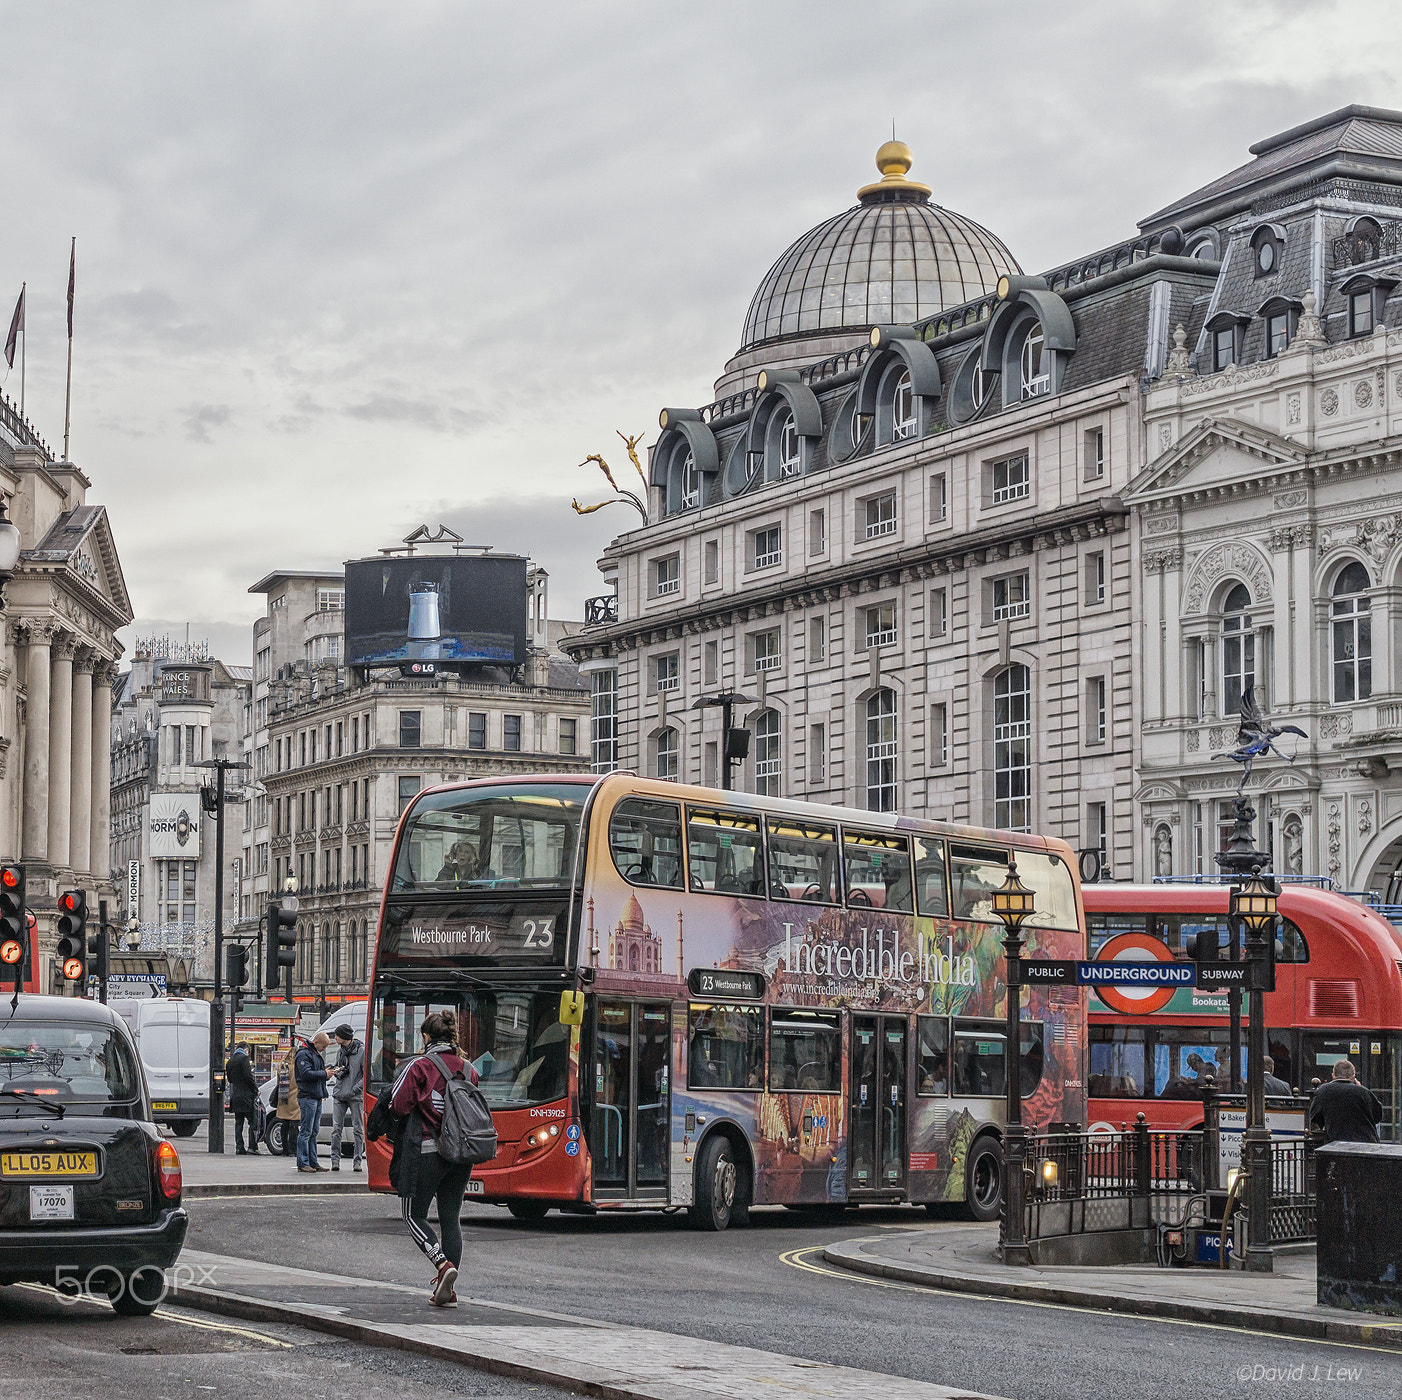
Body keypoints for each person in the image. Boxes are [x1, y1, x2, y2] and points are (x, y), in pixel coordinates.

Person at [390, 1009, 478, 1308]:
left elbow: (399, 1105)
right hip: (462, 1152)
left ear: (426, 1037)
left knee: (414, 1215)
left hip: (428, 1149)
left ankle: (442, 1265)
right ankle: (449, 1290)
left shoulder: (421, 1066)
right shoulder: (469, 1069)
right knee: (450, 1218)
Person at [1309, 1060, 1383, 1144]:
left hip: (1335, 1145)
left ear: (1333, 1075)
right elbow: (1377, 1115)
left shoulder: (1323, 1092)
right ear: (1353, 1077)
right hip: (1364, 1145)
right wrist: (1360, 1088)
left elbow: (1315, 1118)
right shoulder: (1363, 1092)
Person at [329, 1023, 366, 1172]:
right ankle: (335, 1160)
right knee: (336, 1128)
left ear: (344, 1037)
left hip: (354, 1095)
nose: (335, 1038)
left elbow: (366, 1075)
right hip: (340, 1093)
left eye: (337, 1035)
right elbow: (340, 1067)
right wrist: (336, 1072)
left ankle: (357, 1161)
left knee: (358, 1129)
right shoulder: (340, 1051)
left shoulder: (361, 1051)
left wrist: (355, 1089)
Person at [294, 1031, 331, 1172]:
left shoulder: (313, 1053)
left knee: (313, 1131)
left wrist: (325, 1074)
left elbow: (312, 1073)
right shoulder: (304, 1054)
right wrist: (324, 1074)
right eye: (324, 1046)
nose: (324, 1049)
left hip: (315, 1095)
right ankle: (303, 1163)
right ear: (316, 1042)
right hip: (308, 1096)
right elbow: (305, 1074)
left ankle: (312, 1161)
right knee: (306, 1130)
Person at [225, 1041, 260, 1155]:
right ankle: (252, 1146)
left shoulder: (230, 1061)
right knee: (252, 1122)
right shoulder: (244, 1059)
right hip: (246, 1096)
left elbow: (230, 1079)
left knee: (238, 1122)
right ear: (246, 1049)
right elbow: (248, 1077)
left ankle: (239, 1147)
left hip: (236, 1096)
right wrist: (256, 1090)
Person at [271, 1044, 300, 1156]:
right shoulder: (296, 1066)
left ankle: (285, 1149)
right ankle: (293, 1149)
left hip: (283, 1097)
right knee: (294, 1124)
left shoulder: (282, 1065)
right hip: (295, 1097)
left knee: (284, 1123)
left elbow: (279, 1081)